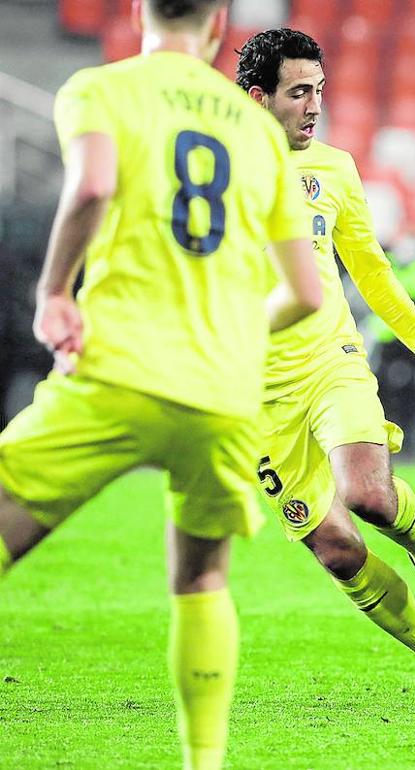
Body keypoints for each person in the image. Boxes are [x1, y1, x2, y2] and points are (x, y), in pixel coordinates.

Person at [0, 2, 322, 768]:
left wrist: (54, 293)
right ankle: (203, 761)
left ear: (142, 11)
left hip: (118, 371)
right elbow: (306, 293)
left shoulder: (103, 88)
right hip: (222, 392)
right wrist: (238, 335)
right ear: (218, 22)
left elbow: (91, 187)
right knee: (204, 576)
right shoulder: (256, 132)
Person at [236, 28, 415, 707]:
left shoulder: (334, 168)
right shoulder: (214, 172)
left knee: (369, 496)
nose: (314, 105)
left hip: (330, 361)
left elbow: (371, 271)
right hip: (257, 400)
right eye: (299, 92)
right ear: (260, 99)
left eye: (319, 89)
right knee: (339, 552)